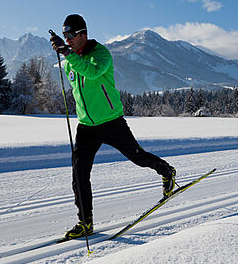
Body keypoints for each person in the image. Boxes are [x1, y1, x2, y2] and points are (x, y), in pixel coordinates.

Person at [50, 14, 176, 240]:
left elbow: (91, 72)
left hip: (111, 121)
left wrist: (67, 54)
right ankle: (85, 223)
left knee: (138, 157)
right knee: (79, 175)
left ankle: (166, 170)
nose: (67, 39)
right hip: (86, 126)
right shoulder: (70, 60)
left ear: (83, 35)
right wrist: (68, 56)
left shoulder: (101, 54)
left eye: (71, 35)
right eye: (65, 36)